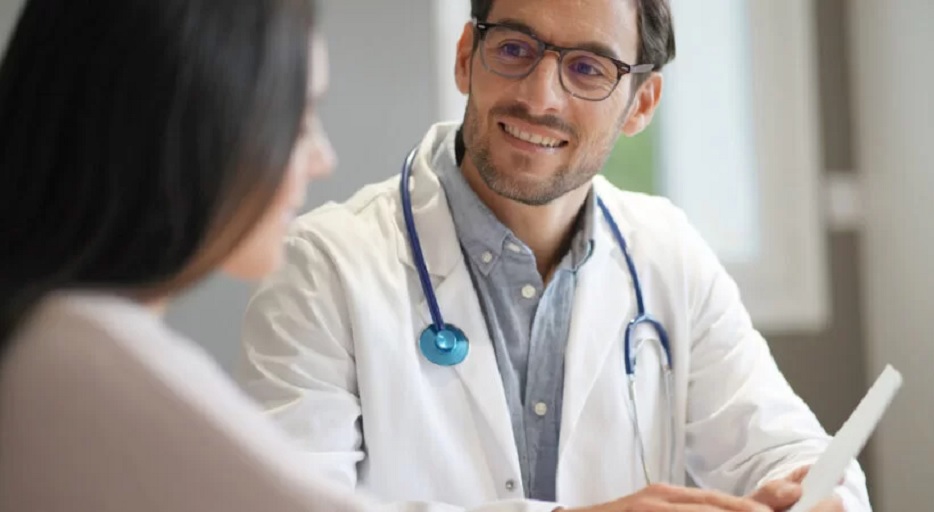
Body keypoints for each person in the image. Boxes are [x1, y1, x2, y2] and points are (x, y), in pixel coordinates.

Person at [0, 0, 665, 510]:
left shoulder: (56, 337)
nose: (322, 156)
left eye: (587, 68)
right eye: (296, 118)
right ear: (192, 128)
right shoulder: (77, 354)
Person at [236, 0, 871, 511]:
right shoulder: (322, 267)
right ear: (466, 57)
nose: (540, 97)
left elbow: (785, 449)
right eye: (515, 49)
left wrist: (821, 495)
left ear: (641, 104)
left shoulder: (668, 254)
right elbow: (283, 505)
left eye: (589, 68)